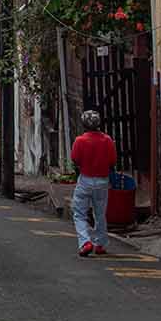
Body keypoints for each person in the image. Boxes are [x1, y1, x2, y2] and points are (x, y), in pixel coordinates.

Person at [70, 109, 118, 257]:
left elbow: (75, 159)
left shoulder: (80, 141)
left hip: (85, 179)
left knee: (79, 213)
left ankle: (85, 242)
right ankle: (101, 244)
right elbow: (112, 161)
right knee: (100, 213)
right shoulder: (108, 140)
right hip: (102, 180)